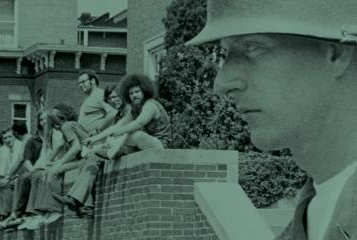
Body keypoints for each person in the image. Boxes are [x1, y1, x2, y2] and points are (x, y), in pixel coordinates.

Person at [186, 0, 357, 239]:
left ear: (336, 53)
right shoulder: (311, 218)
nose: (221, 84)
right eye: (225, 54)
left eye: (253, 47)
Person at [84, 74, 172, 156]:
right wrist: (94, 139)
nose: (134, 95)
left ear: (144, 91)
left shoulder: (150, 105)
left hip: (161, 146)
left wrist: (120, 132)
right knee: (112, 141)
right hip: (145, 146)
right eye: (131, 93)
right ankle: (107, 150)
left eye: (137, 92)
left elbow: (139, 123)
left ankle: (112, 149)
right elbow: (117, 126)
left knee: (136, 135)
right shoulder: (135, 110)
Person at [77, 69, 117, 135]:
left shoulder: (100, 94)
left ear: (92, 81)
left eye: (83, 82)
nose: (80, 85)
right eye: (79, 83)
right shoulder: (89, 97)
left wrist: (97, 130)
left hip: (95, 139)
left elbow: (113, 113)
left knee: (68, 126)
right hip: (86, 138)